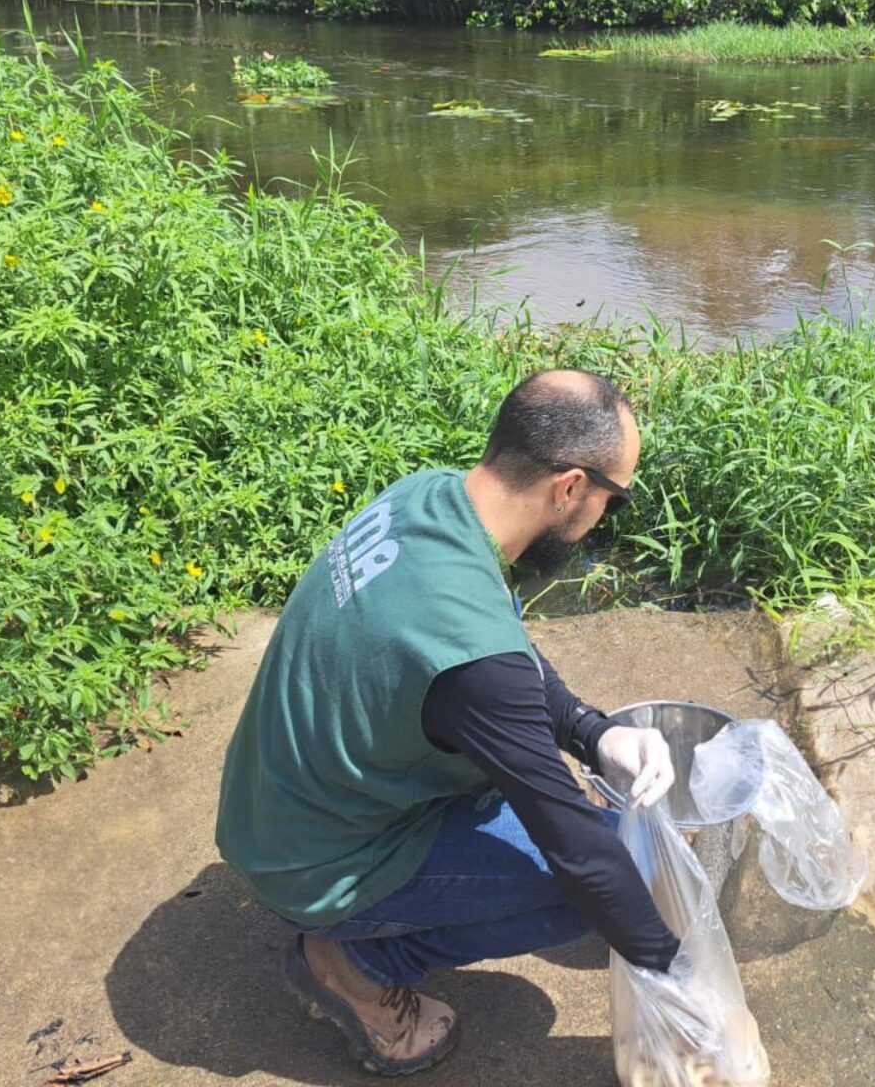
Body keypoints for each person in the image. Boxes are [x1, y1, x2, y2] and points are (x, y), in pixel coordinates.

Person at [216, 368, 682, 1076]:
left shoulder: (431, 495)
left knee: (585, 850)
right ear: (570, 488)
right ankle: (354, 962)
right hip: (316, 865)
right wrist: (673, 976)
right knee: (588, 889)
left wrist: (594, 731)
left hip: (277, 809)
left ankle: (365, 929)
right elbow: (580, 851)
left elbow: (502, 644)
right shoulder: (475, 667)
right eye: (611, 502)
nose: (602, 520)